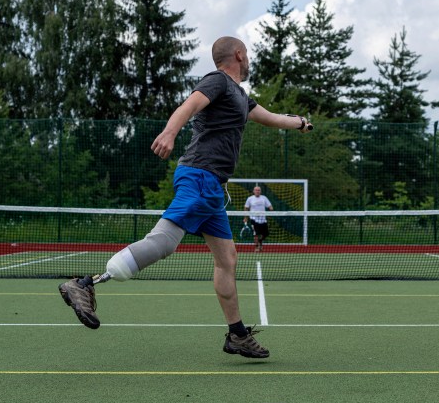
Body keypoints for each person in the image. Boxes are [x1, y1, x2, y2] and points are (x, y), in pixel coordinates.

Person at [59, 36, 312, 359]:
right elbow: (189, 105)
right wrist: (169, 132)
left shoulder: (241, 96)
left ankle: (237, 335)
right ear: (238, 54)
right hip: (200, 176)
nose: (248, 61)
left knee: (227, 259)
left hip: (212, 187)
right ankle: (84, 283)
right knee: (165, 242)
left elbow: (274, 118)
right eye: (246, 55)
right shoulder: (217, 80)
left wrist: (301, 123)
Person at [244, 185, 273, 252]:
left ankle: (260, 241)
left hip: (263, 220)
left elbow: (270, 206)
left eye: (259, 190)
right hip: (253, 219)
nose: (257, 191)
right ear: (253, 191)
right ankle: (257, 247)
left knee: (265, 234)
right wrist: (246, 217)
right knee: (256, 234)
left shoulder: (264, 198)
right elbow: (246, 208)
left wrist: (271, 211)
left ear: (260, 191)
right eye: (256, 190)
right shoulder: (250, 199)